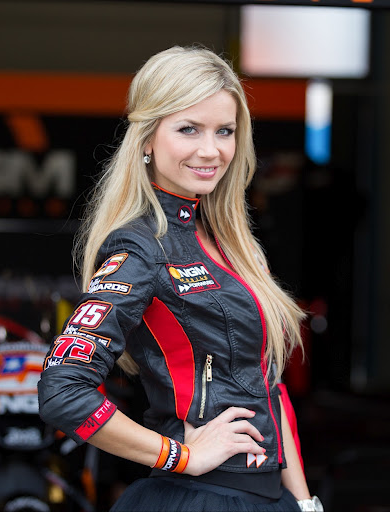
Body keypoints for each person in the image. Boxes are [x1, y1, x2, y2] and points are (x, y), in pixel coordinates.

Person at [38, 46, 324, 512]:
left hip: (270, 500)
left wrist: (304, 501)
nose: (211, 150)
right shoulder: (139, 247)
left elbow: (269, 386)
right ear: (147, 138)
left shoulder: (238, 247)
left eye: (225, 131)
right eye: (188, 129)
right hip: (201, 498)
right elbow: (63, 391)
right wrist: (181, 456)